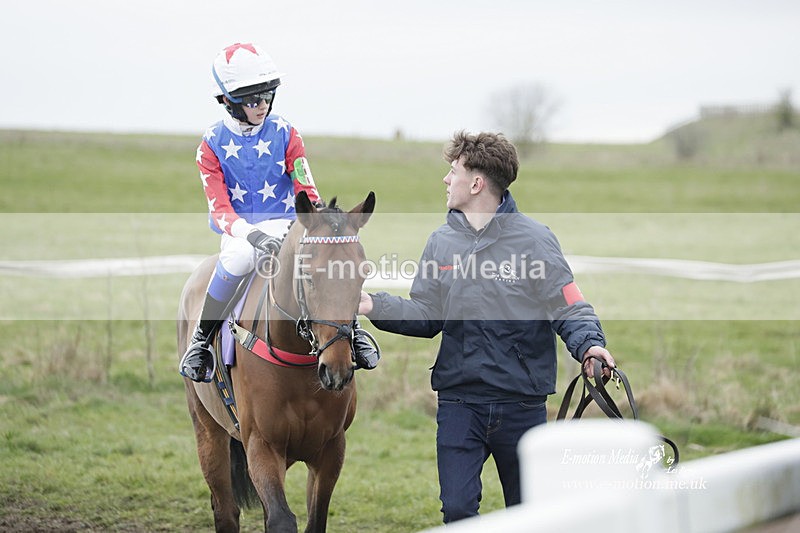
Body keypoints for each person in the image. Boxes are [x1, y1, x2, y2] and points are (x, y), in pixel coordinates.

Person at [358, 131, 615, 523]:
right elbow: (427, 313)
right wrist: (373, 304)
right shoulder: (441, 242)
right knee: (458, 510)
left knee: (529, 514)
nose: (446, 179)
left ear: (476, 183)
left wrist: (590, 346)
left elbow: (569, 305)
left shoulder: (536, 241)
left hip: (522, 404)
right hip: (459, 403)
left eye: (454, 171)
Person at [180, 42, 378, 383]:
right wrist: (252, 235)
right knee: (237, 259)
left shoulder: (286, 133)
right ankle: (200, 341)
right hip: (240, 232)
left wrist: (320, 223)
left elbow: (306, 187)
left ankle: (353, 331)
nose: (263, 105)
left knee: (326, 260)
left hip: (289, 224)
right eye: (253, 99)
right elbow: (220, 210)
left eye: (268, 95)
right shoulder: (210, 145)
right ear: (228, 100)